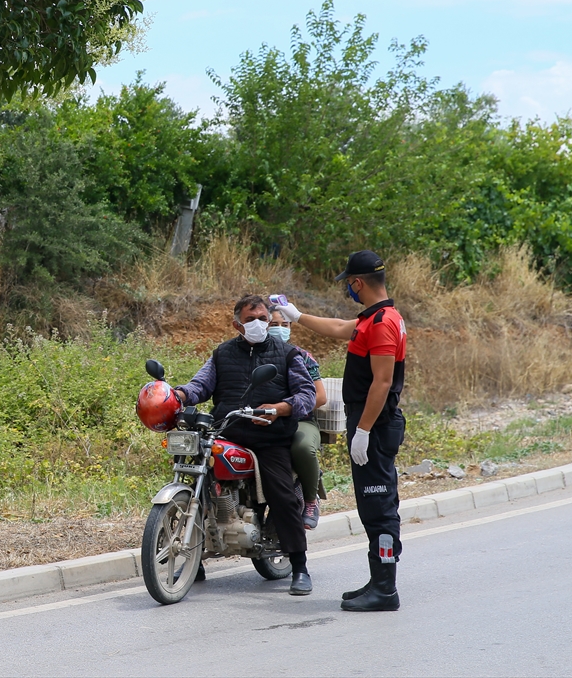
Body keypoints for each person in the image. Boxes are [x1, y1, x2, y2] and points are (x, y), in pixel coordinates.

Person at [272, 250, 406, 612]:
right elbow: (337, 327)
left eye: (350, 282)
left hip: (375, 428)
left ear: (358, 282)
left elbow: (382, 382)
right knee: (372, 507)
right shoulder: (375, 317)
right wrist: (296, 316)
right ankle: (379, 580)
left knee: (378, 509)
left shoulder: (382, 323)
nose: (349, 288)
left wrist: (362, 431)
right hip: (372, 425)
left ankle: (385, 591)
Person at [172, 294, 319, 596]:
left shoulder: (287, 353)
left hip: (270, 437)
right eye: (250, 319)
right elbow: (201, 384)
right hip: (228, 430)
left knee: (281, 493)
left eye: (262, 318)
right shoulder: (222, 354)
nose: (258, 324)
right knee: (198, 475)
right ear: (236, 324)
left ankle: (300, 566)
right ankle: (193, 558)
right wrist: (180, 395)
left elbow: (307, 395)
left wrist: (280, 408)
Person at [269, 308, 327, 529]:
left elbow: (320, 397)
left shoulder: (301, 356)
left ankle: (311, 499)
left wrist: (286, 409)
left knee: (302, 448)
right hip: (260, 419)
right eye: (274, 324)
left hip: (300, 419)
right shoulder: (250, 355)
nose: (280, 329)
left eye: (285, 325)